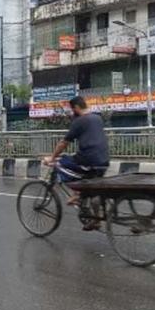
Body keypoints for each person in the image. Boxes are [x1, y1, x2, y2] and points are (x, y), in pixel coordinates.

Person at [43, 97, 110, 229]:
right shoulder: (97, 118)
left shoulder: (80, 121)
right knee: (93, 187)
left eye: (73, 109)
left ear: (76, 108)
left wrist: (52, 158)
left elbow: (64, 143)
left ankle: (77, 194)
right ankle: (95, 218)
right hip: (104, 160)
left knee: (61, 163)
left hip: (88, 159)